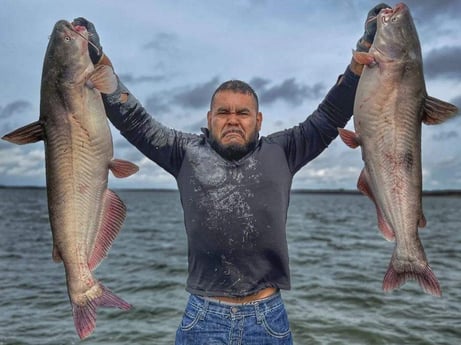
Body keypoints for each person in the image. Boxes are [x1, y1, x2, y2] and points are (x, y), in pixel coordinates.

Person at [74, 4, 389, 344]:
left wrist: (358, 63)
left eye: (243, 112)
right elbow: (135, 121)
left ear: (259, 120)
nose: (233, 119)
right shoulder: (183, 152)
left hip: (267, 318)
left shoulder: (285, 150)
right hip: (203, 317)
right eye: (223, 112)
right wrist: (99, 63)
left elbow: (330, 115)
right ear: (210, 118)